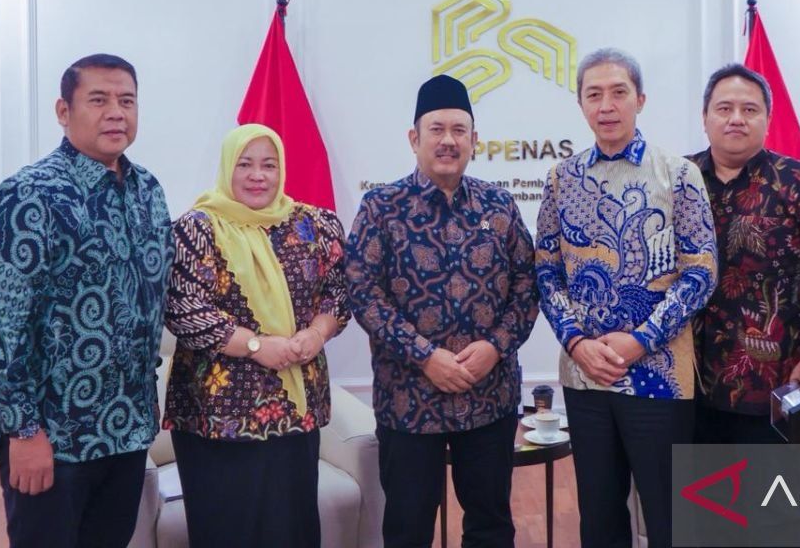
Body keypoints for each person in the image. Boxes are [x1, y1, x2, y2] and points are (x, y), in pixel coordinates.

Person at [0, 53, 172, 548]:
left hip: (126, 428)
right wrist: (23, 431)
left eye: (127, 101)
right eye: (98, 100)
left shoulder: (147, 191)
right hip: (51, 437)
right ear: (64, 111)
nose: (116, 113)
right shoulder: (28, 196)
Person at [346, 74, 538, 548]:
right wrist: (425, 355)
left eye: (459, 130)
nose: (448, 140)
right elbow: (363, 292)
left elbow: (527, 284)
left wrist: (495, 347)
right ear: (414, 138)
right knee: (407, 528)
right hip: (409, 400)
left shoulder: (499, 205)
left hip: (488, 396)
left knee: (491, 525)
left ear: (475, 139)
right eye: (436, 129)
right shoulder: (381, 208)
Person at [535, 47, 717, 548]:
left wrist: (642, 339)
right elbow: (546, 270)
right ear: (581, 104)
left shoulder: (677, 174)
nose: (607, 105)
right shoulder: (561, 179)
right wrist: (576, 342)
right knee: (599, 515)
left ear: (640, 99)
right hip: (585, 375)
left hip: (660, 375)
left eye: (618, 92)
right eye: (594, 95)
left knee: (670, 515)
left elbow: (701, 272)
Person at [163, 123, 348, 547]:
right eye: (244, 164)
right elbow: (183, 309)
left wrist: (317, 334)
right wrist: (255, 346)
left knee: (291, 528)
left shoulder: (315, 224)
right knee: (227, 530)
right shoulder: (196, 228)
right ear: (227, 167)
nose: (257, 175)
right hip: (216, 417)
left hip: (295, 410)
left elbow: (339, 294)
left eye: (269, 165)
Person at [687, 63, 800, 547]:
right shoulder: (677, 181)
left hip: (773, 384)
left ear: (767, 119)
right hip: (688, 383)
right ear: (705, 117)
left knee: (774, 519)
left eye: (749, 109)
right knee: (704, 515)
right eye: (724, 108)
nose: (736, 118)